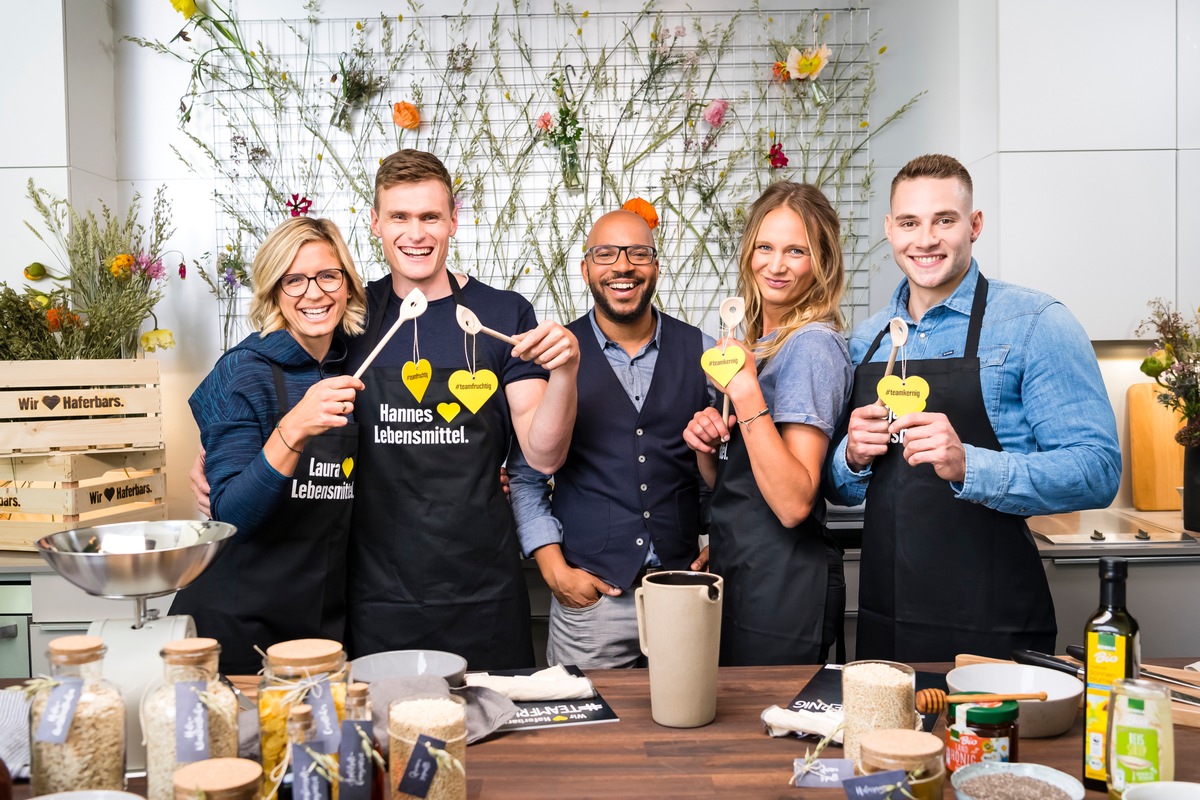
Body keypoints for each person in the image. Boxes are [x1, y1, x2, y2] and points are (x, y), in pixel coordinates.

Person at [825, 154, 1121, 662]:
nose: (925, 240)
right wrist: (850, 458)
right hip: (887, 619)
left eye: (944, 220)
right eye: (910, 223)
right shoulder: (866, 341)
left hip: (995, 622)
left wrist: (972, 465)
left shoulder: (1035, 322)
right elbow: (839, 489)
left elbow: (1097, 470)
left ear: (974, 225)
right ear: (889, 230)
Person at [344, 149, 580, 669]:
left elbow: (543, 455)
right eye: (399, 217)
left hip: (481, 589)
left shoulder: (503, 312)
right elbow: (281, 378)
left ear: (453, 221)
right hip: (377, 591)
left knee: (497, 744)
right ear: (375, 224)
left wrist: (565, 371)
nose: (416, 232)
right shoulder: (350, 315)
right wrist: (221, 453)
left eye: (430, 216)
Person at [508, 208, 714, 669]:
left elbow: (725, 471)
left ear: (656, 266)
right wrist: (554, 570)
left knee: (688, 730)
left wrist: (724, 540)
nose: (623, 266)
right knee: (586, 737)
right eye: (605, 254)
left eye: (638, 253)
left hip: (683, 596)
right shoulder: (551, 357)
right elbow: (526, 479)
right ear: (586, 270)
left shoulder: (703, 353)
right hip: (592, 605)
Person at [171, 217, 367, 674]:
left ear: (347, 285)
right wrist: (293, 428)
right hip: (237, 620)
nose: (313, 293)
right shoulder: (243, 370)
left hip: (319, 614)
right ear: (274, 291)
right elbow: (231, 514)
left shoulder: (347, 363)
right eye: (293, 279)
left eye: (327, 275)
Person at [683, 182, 852, 666]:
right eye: (765, 247)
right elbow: (743, 480)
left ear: (821, 261)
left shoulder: (811, 346)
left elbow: (793, 501)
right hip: (743, 571)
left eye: (795, 251)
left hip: (784, 587)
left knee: (774, 738)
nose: (776, 266)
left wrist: (747, 392)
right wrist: (706, 446)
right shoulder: (761, 343)